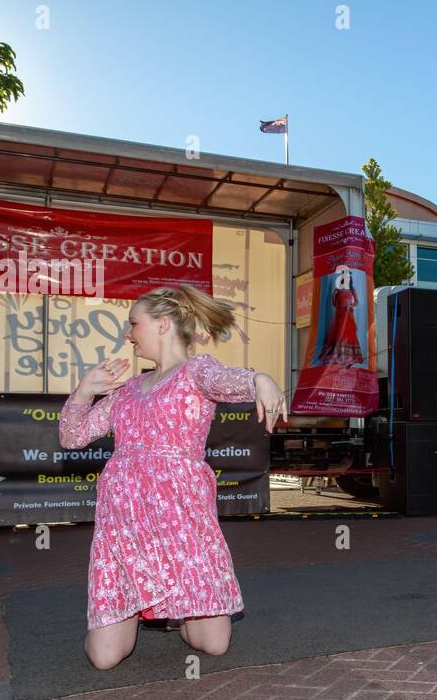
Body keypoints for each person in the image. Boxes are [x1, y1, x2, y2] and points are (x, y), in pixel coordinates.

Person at [60, 285, 288, 670]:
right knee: (104, 658)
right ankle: (144, 603)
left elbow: (227, 381)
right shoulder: (128, 389)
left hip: (181, 526)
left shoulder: (197, 373)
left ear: (163, 325)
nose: (128, 334)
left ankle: (174, 606)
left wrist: (260, 380)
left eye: (134, 324)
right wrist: (85, 390)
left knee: (213, 645)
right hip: (126, 528)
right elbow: (72, 436)